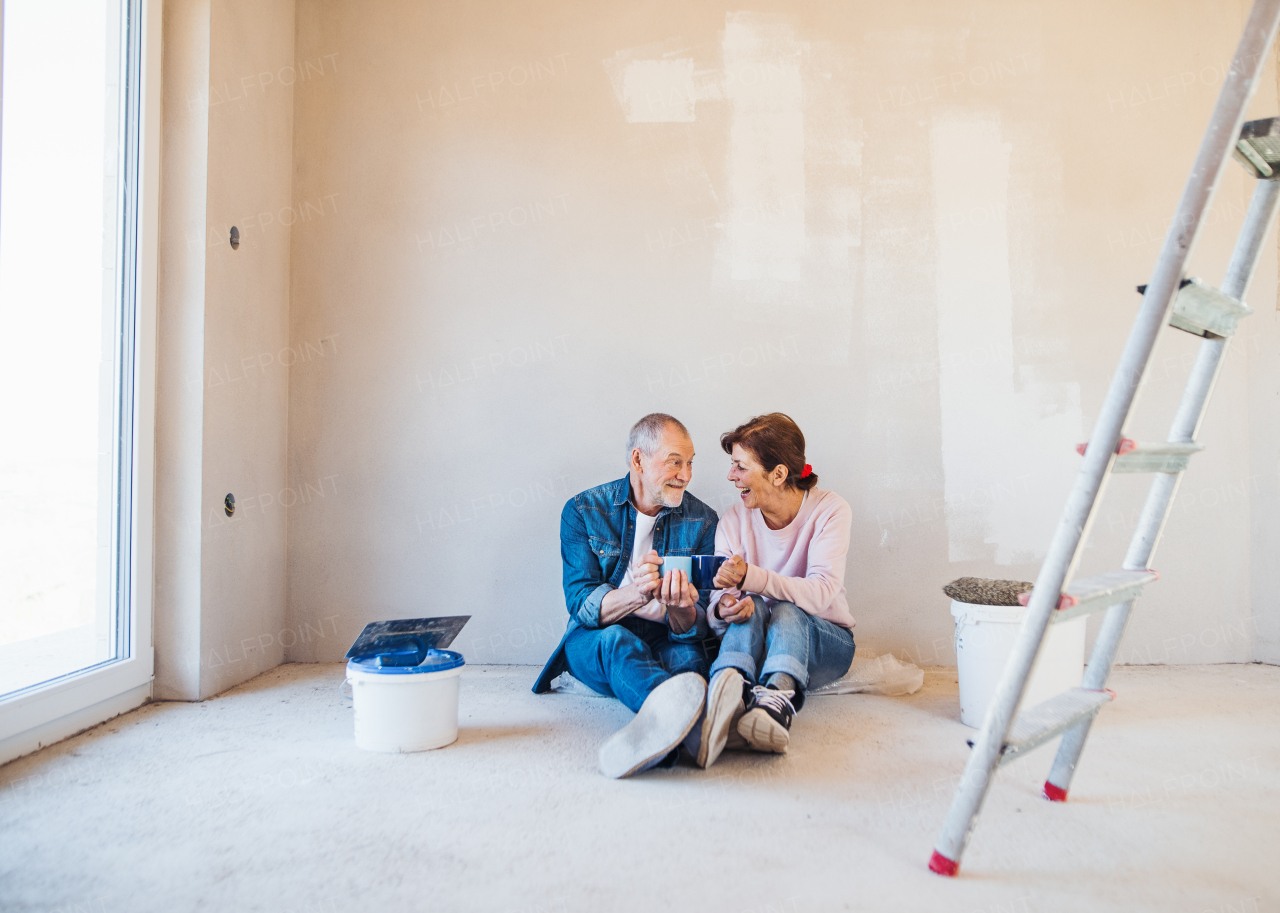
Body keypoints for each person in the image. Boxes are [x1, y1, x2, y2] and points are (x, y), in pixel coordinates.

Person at [533, 413, 720, 778]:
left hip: (666, 635)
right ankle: (697, 732)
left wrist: (681, 607)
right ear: (638, 460)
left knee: (689, 659)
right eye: (674, 462)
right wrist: (638, 592)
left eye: (690, 463)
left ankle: (663, 738)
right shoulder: (583, 511)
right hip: (597, 639)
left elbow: (694, 624)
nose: (686, 474)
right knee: (618, 641)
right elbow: (581, 604)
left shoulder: (703, 520)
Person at [698, 412, 855, 768]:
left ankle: (775, 698)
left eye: (740, 466)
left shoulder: (830, 510)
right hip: (758, 643)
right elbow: (718, 597)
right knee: (750, 603)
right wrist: (724, 607)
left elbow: (819, 594)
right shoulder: (733, 520)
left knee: (786, 608)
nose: (730, 475)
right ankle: (730, 687)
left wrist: (751, 577)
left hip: (826, 642)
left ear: (779, 474)